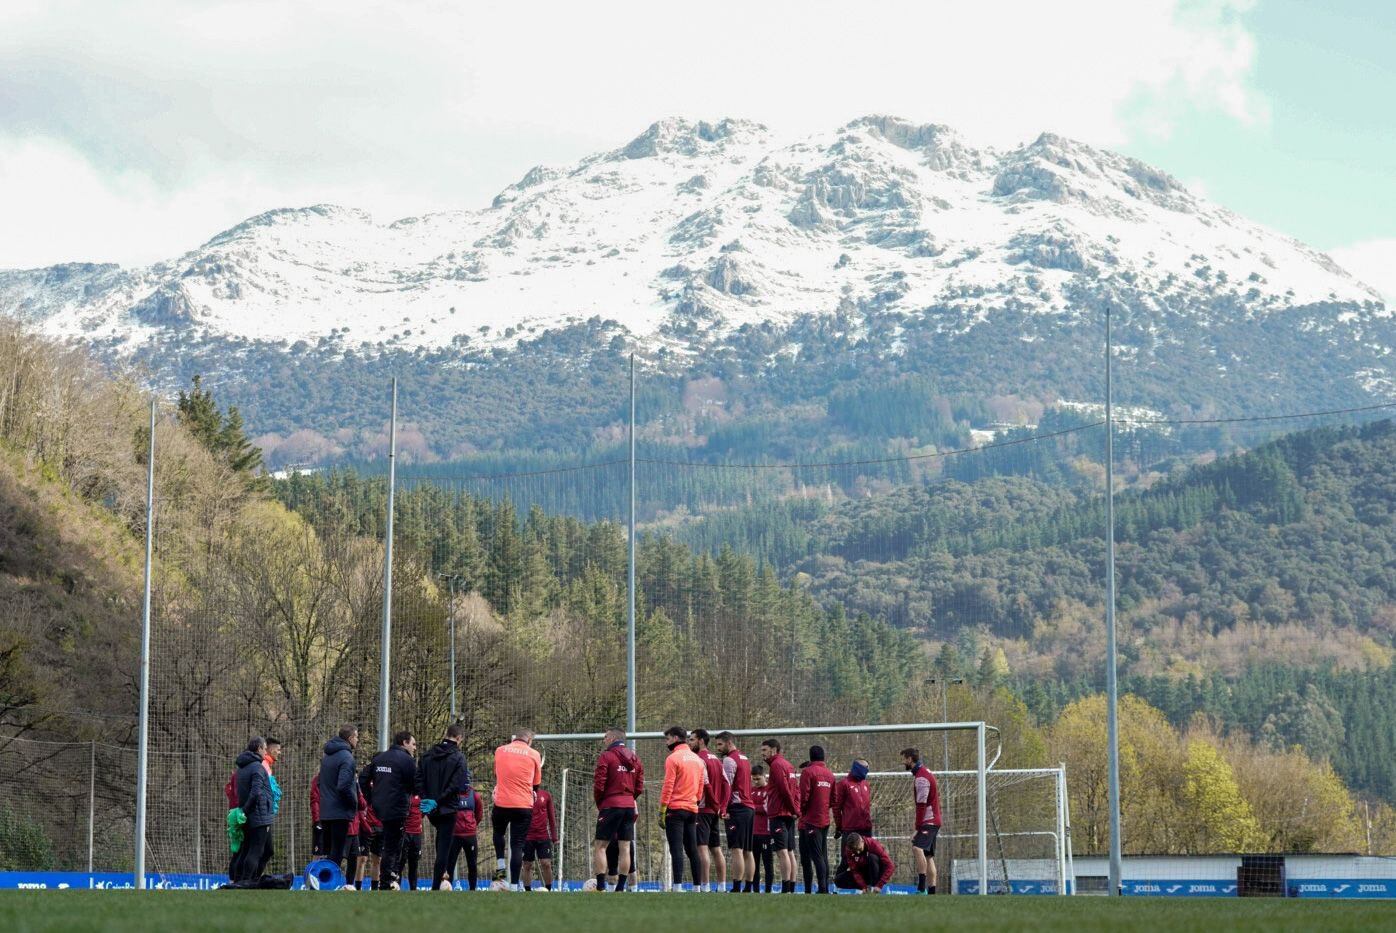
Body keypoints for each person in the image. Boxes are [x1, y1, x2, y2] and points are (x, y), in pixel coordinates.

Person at [361, 730, 418, 890]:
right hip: (397, 808)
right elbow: (415, 784)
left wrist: (371, 799)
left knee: (389, 844)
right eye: (413, 744)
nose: (414, 748)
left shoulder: (379, 758)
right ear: (404, 743)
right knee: (392, 846)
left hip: (380, 808)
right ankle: (386, 881)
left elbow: (363, 779)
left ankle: (389, 877)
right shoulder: (407, 760)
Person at [419, 723, 473, 890]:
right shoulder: (459, 757)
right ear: (459, 738)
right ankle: (436, 886)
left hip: (431, 810)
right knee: (443, 849)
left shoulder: (426, 755)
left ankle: (440, 881)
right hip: (448, 808)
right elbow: (457, 785)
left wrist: (426, 798)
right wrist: (439, 800)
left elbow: (418, 779)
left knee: (440, 840)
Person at [592, 727, 643, 892]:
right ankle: (620, 888)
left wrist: (602, 802)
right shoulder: (635, 759)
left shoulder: (606, 756)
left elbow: (599, 783)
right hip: (628, 806)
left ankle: (600, 887)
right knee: (625, 847)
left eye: (605, 736)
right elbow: (639, 786)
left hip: (611, 805)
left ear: (613, 738)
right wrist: (629, 798)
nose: (604, 739)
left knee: (600, 846)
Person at [493, 728, 543, 890]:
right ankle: (514, 886)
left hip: (501, 802)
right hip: (523, 805)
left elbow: (498, 774)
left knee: (498, 832)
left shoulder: (499, 751)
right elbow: (535, 785)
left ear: (515, 738)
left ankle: (500, 864)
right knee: (517, 845)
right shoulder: (534, 754)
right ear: (529, 741)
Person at [659, 725, 703, 891]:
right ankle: (697, 886)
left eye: (668, 739)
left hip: (675, 809)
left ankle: (677, 886)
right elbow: (700, 786)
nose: (666, 742)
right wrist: (695, 802)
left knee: (676, 848)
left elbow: (668, 785)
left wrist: (662, 809)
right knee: (692, 849)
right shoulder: (698, 760)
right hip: (692, 809)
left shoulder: (673, 758)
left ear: (676, 738)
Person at [688, 728, 729, 892]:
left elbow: (706, 785)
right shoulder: (717, 760)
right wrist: (722, 806)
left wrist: (715, 805)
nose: (689, 743)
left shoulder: (699, 759)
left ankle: (703, 886)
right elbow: (727, 784)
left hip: (704, 809)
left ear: (701, 741)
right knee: (716, 849)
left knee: (702, 847)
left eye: (692, 740)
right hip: (714, 810)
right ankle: (722, 886)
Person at [713, 731, 754, 892]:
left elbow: (727, 786)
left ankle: (736, 886)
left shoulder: (729, 760)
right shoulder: (745, 758)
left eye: (720, 744)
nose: (718, 748)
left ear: (729, 743)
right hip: (750, 808)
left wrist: (723, 808)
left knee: (737, 848)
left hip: (737, 808)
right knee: (748, 850)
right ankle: (748, 887)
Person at [231, 736, 274, 882]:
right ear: (259, 749)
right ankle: (246, 881)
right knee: (255, 851)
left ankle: (241, 880)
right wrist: (247, 810)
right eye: (264, 748)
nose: (266, 751)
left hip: (251, 814)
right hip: (258, 815)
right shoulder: (257, 767)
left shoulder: (242, 768)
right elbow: (256, 792)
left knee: (264, 850)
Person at [760, 738, 800, 893]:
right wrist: (795, 810)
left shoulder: (776, 765)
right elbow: (796, 790)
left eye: (764, 750)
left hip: (779, 813)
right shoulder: (788, 765)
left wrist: (794, 810)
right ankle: (791, 888)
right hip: (789, 814)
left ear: (774, 750)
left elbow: (785, 791)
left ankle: (785, 887)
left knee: (782, 851)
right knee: (789, 851)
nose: (762, 753)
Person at [319, 725, 360, 872]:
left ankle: (322, 882)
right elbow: (343, 786)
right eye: (356, 737)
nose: (358, 739)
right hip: (339, 811)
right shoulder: (347, 758)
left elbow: (320, 783)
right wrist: (353, 803)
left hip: (325, 810)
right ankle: (330, 885)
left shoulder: (327, 756)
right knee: (337, 852)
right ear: (350, 739)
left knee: (328, 851)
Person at [902, 747, 942, 895]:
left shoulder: (921, 777)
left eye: (904, 759)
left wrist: (917, 828)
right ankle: (932, 892)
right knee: (928, 856)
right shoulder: (925, 772)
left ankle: (921, 888)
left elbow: (921, 804)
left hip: (929, 821)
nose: (903, 762)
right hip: (934, 820)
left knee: (917, 848)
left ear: (910, 759)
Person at [798, 745, 834, 894]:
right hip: (824, 819)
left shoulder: (808, 772)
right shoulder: (830, 774)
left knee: (815, 856)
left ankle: (822, 889)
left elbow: (804, 797)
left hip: (811, 820)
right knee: (822, 855)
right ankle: (823, 887)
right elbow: (834, 799)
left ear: (810, 756)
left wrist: (803, 811)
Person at [521, 780, 558, 890]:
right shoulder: (523, 795)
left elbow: (551, 818)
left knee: (546, 863)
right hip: (527, 837)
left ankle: (549, 889)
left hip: (543, 836)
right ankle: (527, 892)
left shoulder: (546, 795)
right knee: (527, 865)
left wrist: (554, 837)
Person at [449, 783, 484, 890]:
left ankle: (473, 889)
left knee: (472, 864)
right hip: (455, 835)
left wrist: (472, 825)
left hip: (470, 835)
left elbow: (479, 813)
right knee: (450, 864)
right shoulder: (452, 794)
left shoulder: (475, 795)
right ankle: (447, 888)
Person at [749, 765, 774, 893]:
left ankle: (768, 890)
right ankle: (756, 890)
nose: (756, 782)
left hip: (766, 832)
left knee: (768, 863)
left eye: (758, 779)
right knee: (754, 863)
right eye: (754, 779)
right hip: (753, 832)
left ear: (764, 776)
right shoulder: (751, 790)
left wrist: (753, 807)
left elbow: (767, 809)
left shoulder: (770, 790)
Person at [404, 795, 424, 891]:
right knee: (400, 861)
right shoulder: (403, 792)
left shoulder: (421, 794)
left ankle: (413, 888)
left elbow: (424, 811)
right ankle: (396, 886)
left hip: (416, 833)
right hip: (405, 832)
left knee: (414, 863)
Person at [310, 773, 324, 857]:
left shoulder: (337, 778)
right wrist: (317, 820)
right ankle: (314, 869)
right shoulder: (318, 780)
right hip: (321, 821)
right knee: (318, 852)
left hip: (333, 820)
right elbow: (314, 801)